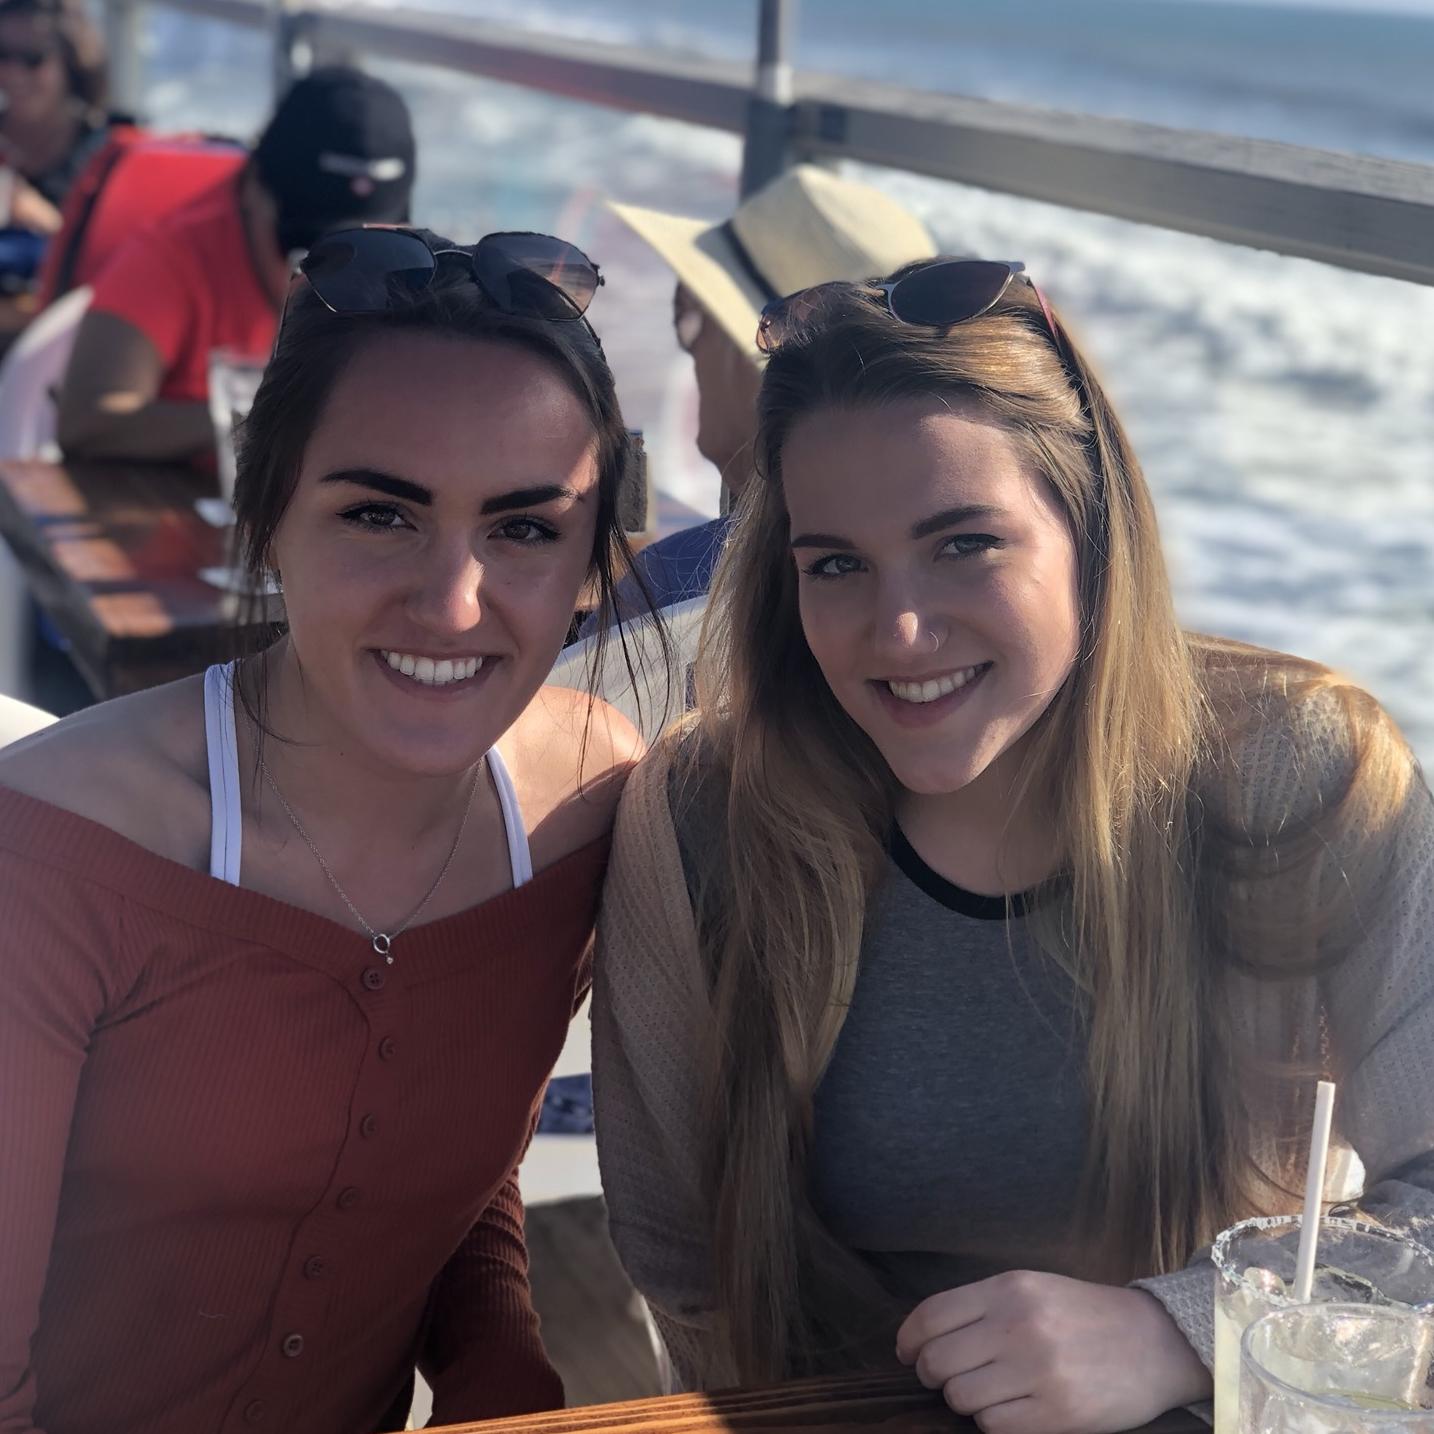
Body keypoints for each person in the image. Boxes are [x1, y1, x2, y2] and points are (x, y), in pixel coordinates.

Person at [591, 259, 1434, 1431]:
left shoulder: (1304, 774)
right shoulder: (702, 814)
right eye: (836, 564)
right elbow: (684, 1263)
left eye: (964, 544)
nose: (898, 630)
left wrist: (1180, 1331)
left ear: (1091, 530)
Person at [0, 225, 649, 1433]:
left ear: (592, 560)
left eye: (523, 528)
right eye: (380, 516)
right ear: (266, 513)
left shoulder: (588, 803)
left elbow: (446, 1169)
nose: (451, 604)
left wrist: (500, 1380)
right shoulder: (46, 860)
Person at [591, 164, 934, 624]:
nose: (691, 346)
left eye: (691, 312)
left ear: (749, 359)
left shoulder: (669, 586)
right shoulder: (931, 580)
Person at [55, 66, 415, 465]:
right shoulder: (170, 258)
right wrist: (264, 418)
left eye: (366, 251)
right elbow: (85, 421)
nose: (329, 275)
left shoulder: (416, 281)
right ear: (251, 187)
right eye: (307, 248)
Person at [0, 0, 110, 306]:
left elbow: (116, 265)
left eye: (33, 58)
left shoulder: (105, 155)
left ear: (73, 61)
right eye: (1, 54)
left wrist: (46, 223)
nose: (12, 72)